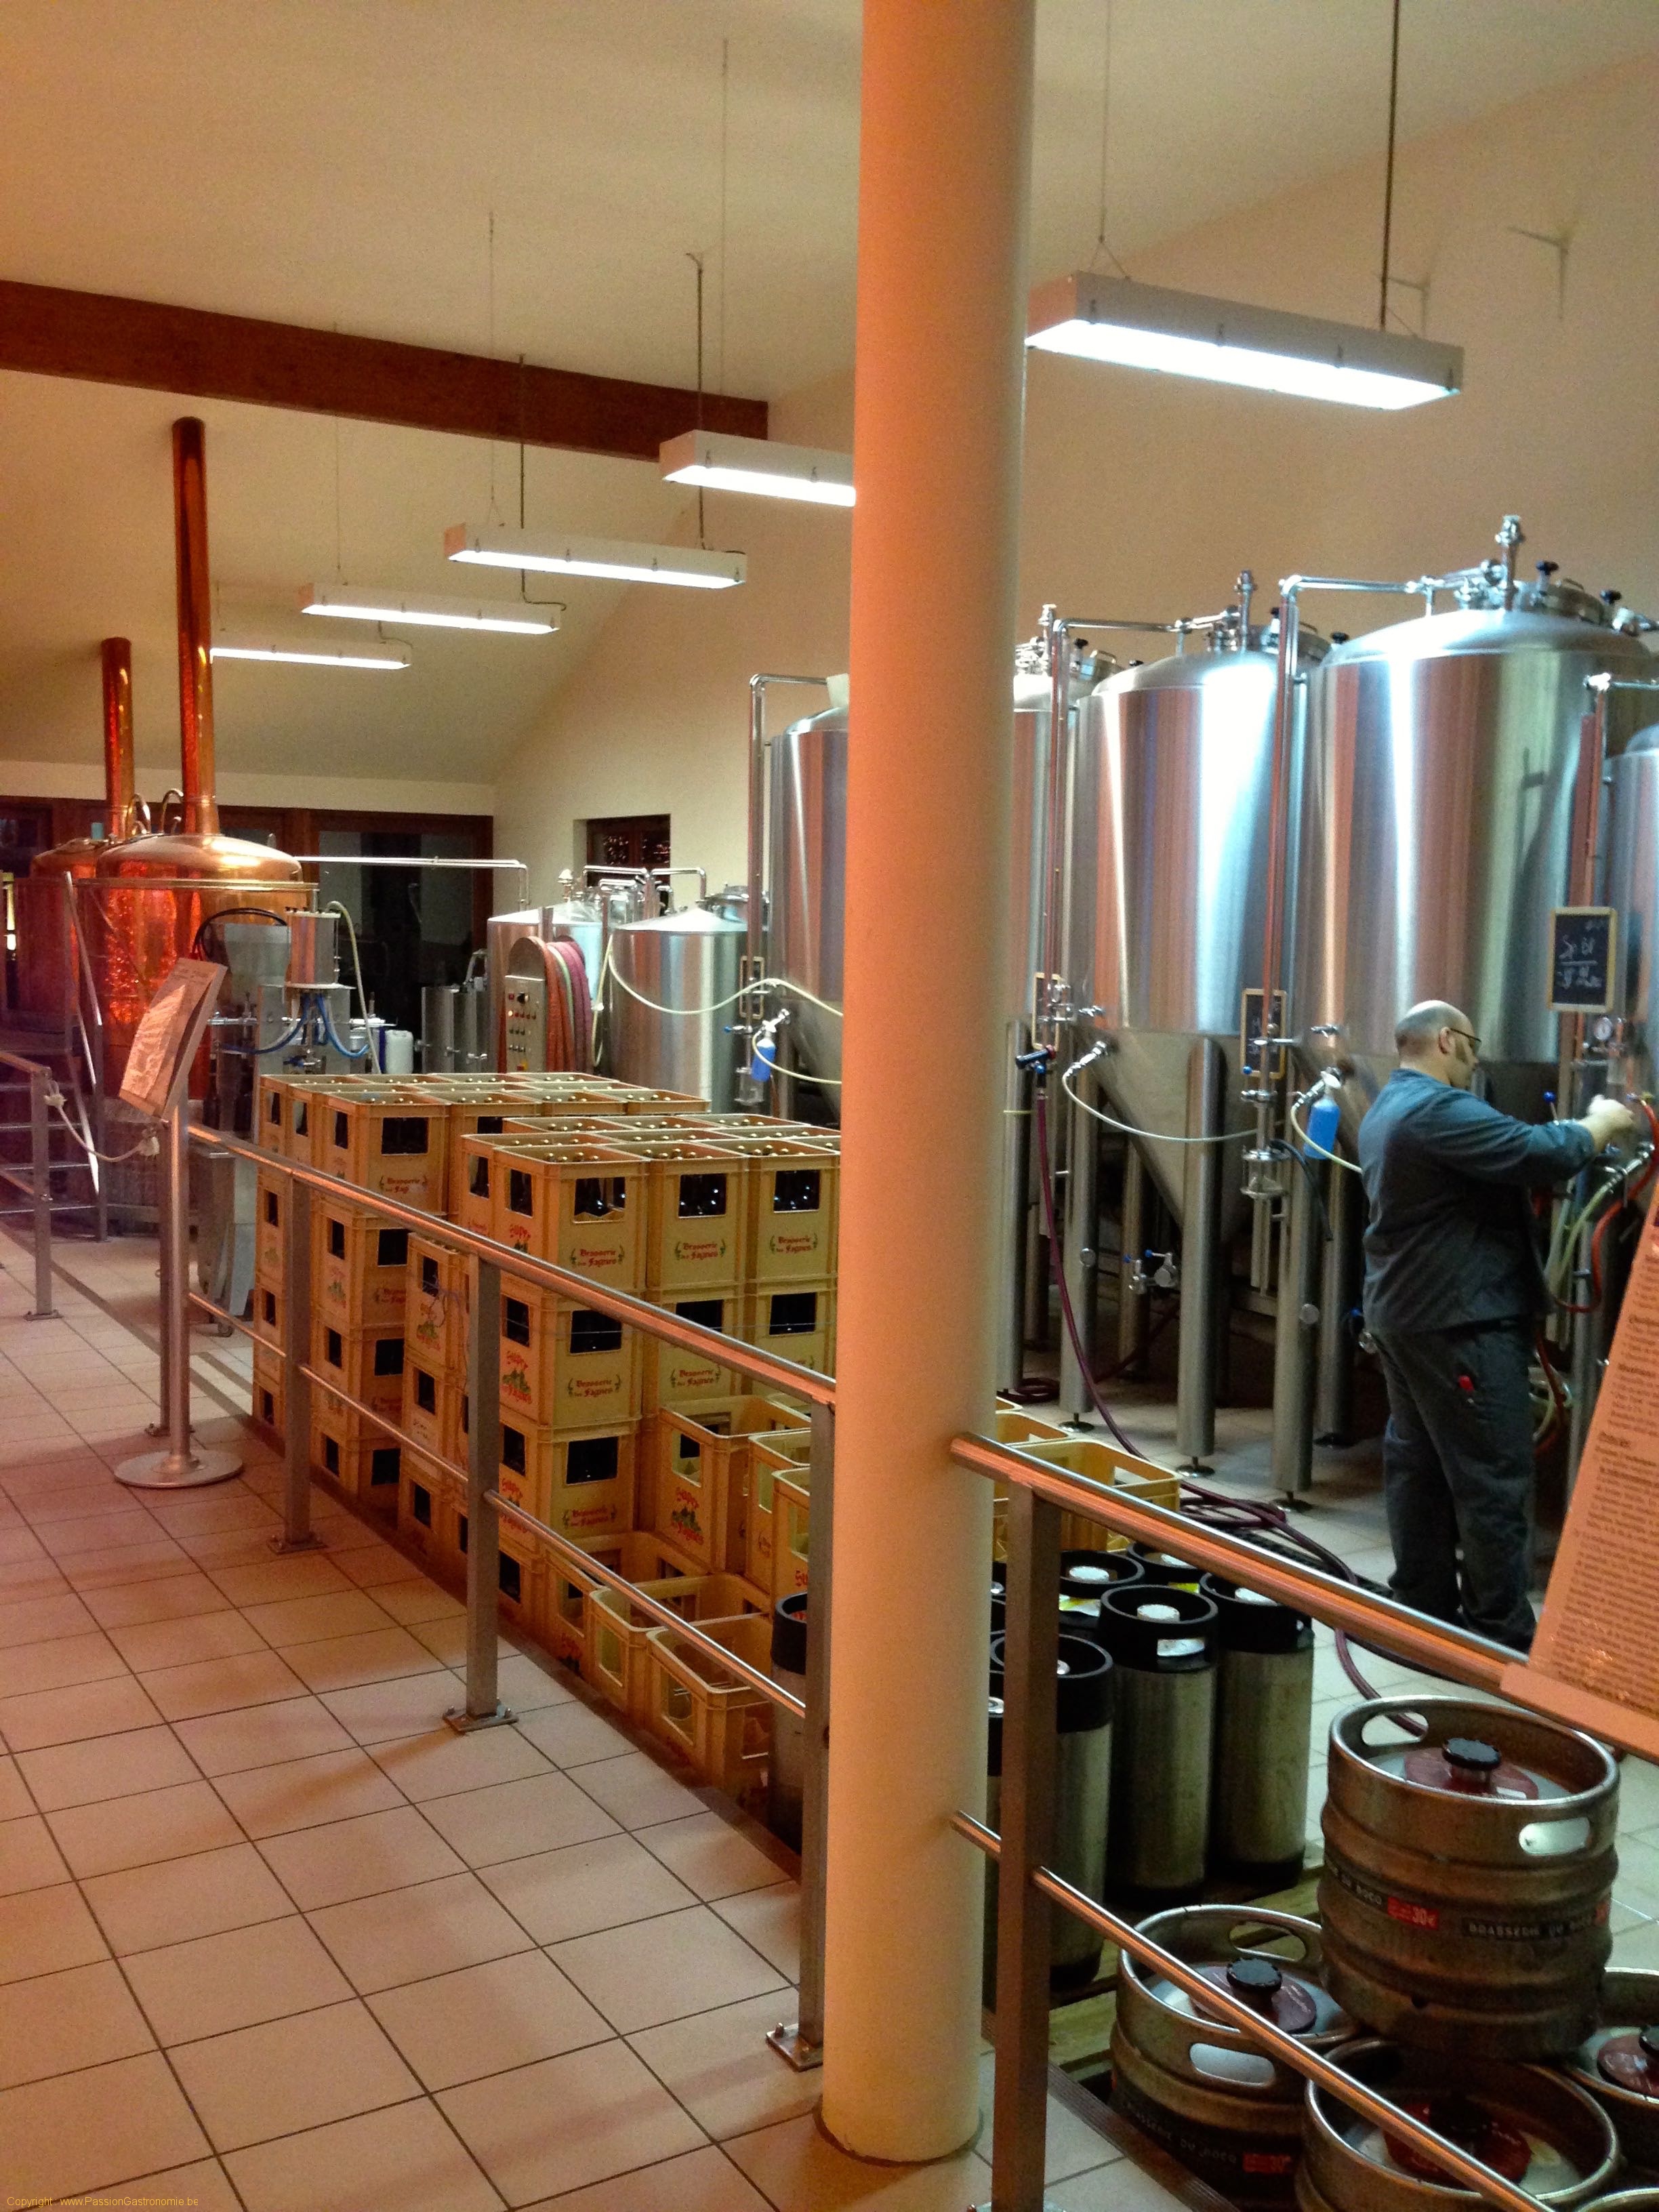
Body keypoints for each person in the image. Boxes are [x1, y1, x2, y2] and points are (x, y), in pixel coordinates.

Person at [1357, 1000, 1635, 1650]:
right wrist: (1600, 1122)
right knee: (1491, 1477)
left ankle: (1423, 1608)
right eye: (1472, 1046)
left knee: (1420, 1466)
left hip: (1406, 1315)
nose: (1476, 1060)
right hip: (1460, 1323)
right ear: (1447, 1040)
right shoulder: (1435, 1108)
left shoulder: (1386, 1107)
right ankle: (1498, 1634)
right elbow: (1538, 1152)